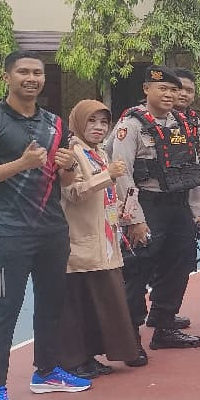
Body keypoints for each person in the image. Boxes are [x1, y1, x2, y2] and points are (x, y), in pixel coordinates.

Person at [0, 51, 91, 400]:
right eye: (23, 72)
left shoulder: (55, 123)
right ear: (7, 77)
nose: (32, 78)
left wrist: (67, 167)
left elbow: (65, 179)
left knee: (52, 307)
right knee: (3, 311)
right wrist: (21, 163)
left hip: (52, 232)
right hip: (10, 236)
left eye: (38, 72)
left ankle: (47, 372)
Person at [109, 65, 200, 357]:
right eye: (162, 88)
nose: (169, 94)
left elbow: (193, 169)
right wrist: (134, 219)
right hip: (147, 205)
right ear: (146, 90)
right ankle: (130, 338)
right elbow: (122, 173)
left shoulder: (184, 125)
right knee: (138, 270)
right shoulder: (132, 125)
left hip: (179, 207)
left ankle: (164, 325)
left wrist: (198, 211)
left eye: (174, 90)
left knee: (179, 265)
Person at [59, 100, 141, 379]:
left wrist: (118, 207)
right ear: (78, 123)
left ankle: (91, 356)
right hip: (81, 243)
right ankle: (74, 360)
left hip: (105, 240)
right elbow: (72, 192)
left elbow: (103, 193)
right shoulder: (71, 153)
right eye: (91, 121)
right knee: (80, 305)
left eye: (103, 122)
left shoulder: (99, 154)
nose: (98, 127)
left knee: (102, 305)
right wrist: (108, 176)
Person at [169, 67, 200, 329]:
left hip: (182, 202)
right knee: (141, 265)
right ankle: (131, 321)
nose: (183, 94)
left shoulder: (197, 124)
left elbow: (197, 166)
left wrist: (199, 209)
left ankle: (165, 316)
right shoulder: (139, 120)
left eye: (189, 90)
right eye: (177, 88)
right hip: (150, 199)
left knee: (181, 260)